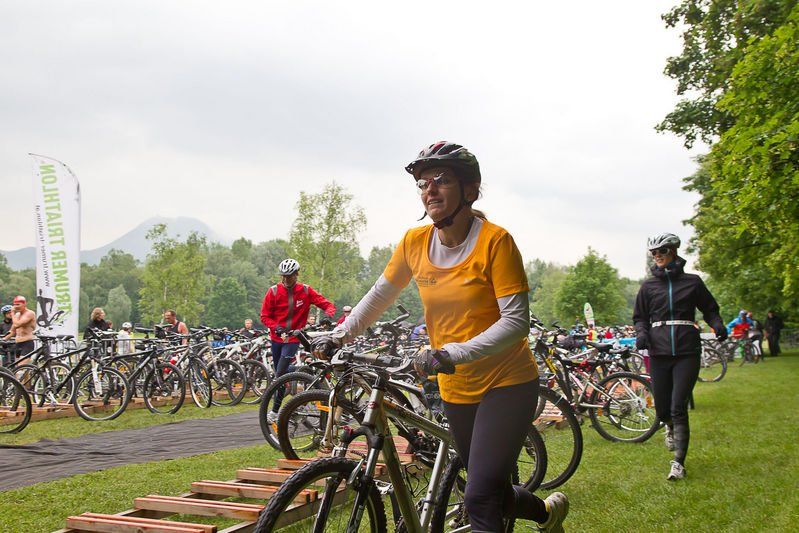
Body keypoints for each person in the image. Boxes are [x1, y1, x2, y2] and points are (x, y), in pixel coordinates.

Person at [310, 142, 568, 531]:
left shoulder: (495, 242)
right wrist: (340, 334)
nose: (430, 189)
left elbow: (516, 322)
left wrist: (451, 353)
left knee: (479, 497)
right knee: (489, 490)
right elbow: (380, 294)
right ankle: (546, 514)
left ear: (470, 190)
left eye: (442, 180)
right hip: (456, 386)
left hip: (507, 381)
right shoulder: (414, 242)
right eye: (423, 183)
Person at [633, 233, 726, 481]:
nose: (657, 256)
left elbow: (710, 308)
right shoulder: (648, 287)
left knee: (678, 406)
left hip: (687, 351)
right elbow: (640, 317)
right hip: (659, 352)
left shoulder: (693, 282)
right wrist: (642, 333)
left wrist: (717, 323)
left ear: (673, 251)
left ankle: (678, 463)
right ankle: (669, 426)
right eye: (653, 253)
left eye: (661, 251)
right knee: (663, 408)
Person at [260, 258, 336, 423]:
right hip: (277, 337)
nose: (286, 279)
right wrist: (276, 327)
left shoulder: (306, 291)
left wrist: (327, 316)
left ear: (296, 274)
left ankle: (274, 412)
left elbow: (328, 305)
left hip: (294, 338)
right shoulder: (273, 291)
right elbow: (264, 316)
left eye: (289, 276)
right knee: (281, 371)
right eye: (283, 276)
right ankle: (302, 370)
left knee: (279, 375)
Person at [2, 296, 36, 364]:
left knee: (20, 367)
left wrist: (12, 313)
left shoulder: (30, 313)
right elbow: (12, 331)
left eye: (18, 304)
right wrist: (4, 339)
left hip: (27, 343)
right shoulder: (17, 315)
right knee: (18, 368)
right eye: (15, 305)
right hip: (18, 344)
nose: (16, 307)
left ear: (24, 304)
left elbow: (17, 324)